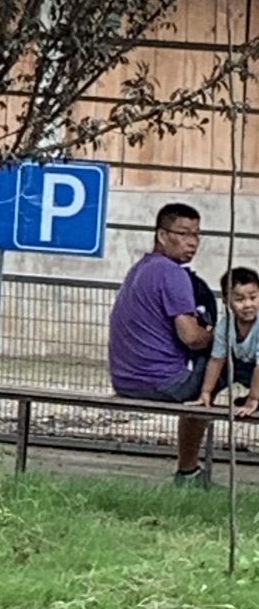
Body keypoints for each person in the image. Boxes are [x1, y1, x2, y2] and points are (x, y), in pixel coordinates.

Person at [108, 202, 214, 482]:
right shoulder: (172, 273)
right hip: (161, 383)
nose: (192, 242)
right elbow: (191, 338)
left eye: (197, 235)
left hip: (124, 380)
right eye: (184, 233)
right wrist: (219, 335)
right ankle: (188, 471)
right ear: (162, 235)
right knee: (219, 367)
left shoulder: (140, 268)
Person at [198, 266, 259, 417]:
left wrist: (253, 399)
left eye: (253, 298)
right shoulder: (224, 327)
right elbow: (216, 360)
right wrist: (206, 392)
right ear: (226, 301)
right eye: (239, 299)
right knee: (219, 367)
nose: (248, 305)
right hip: (245, 368)